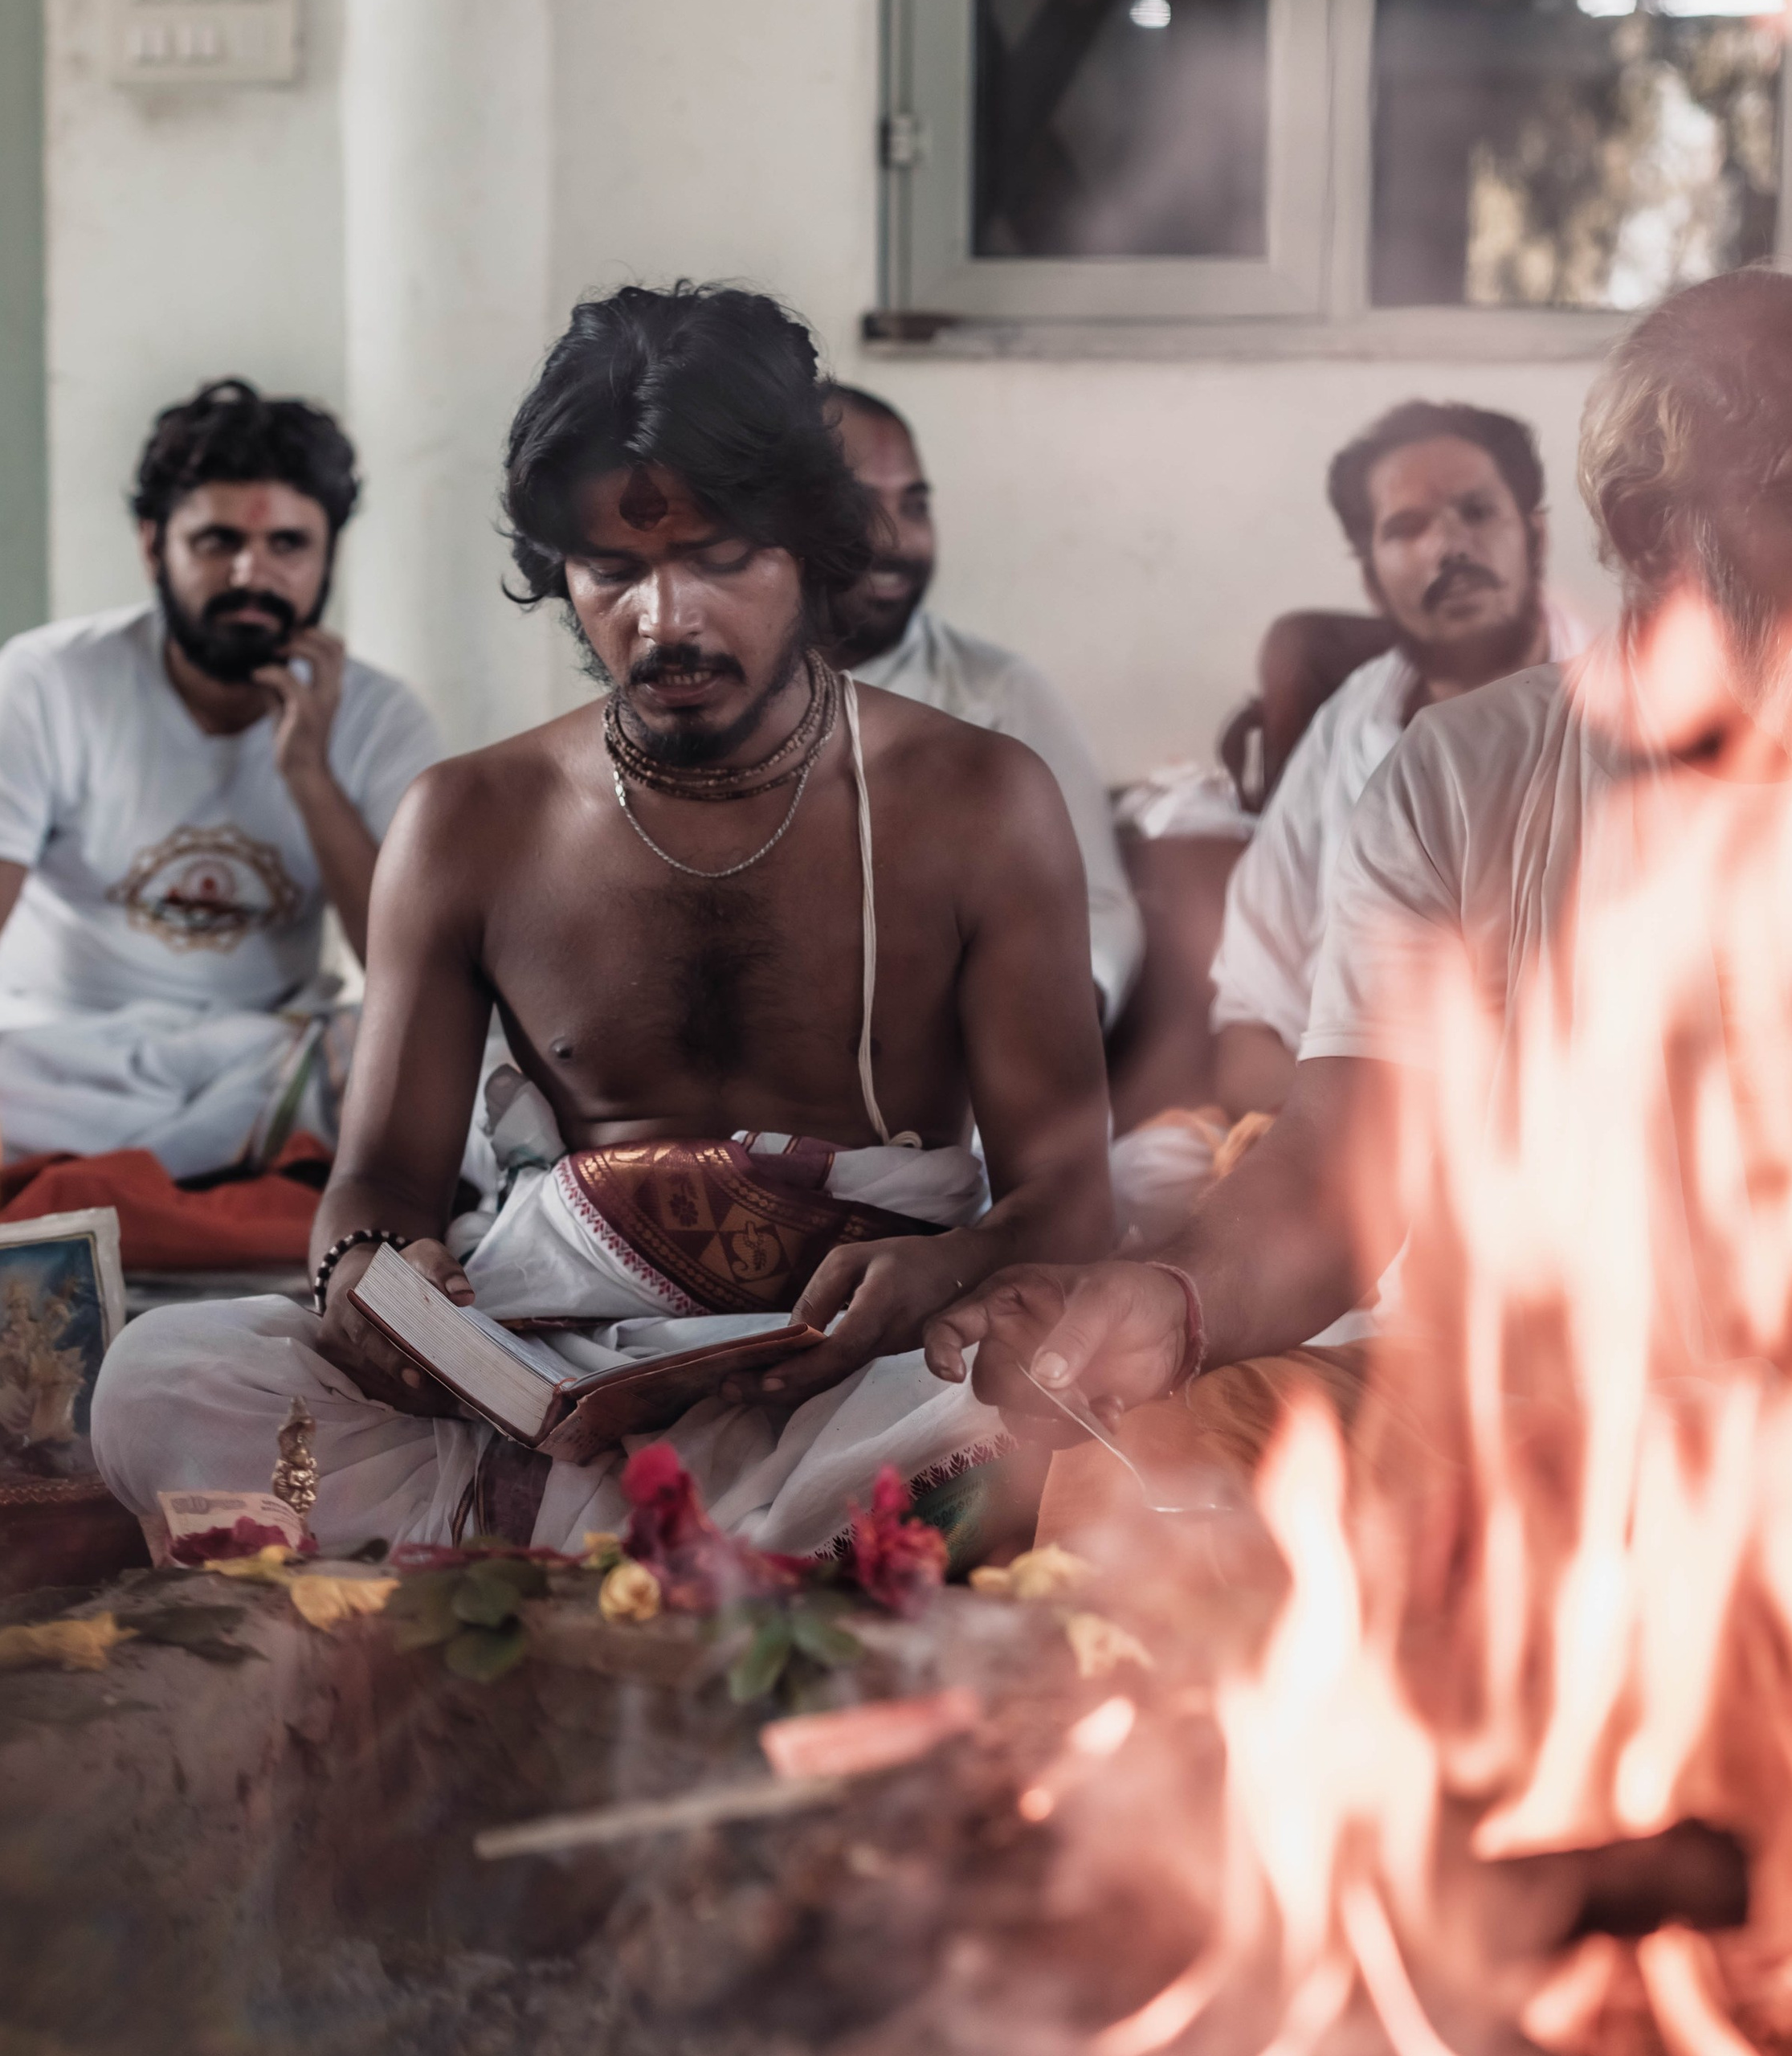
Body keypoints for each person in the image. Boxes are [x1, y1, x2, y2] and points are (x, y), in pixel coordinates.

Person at [92, 285, 1113, 1559]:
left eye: (724, 559)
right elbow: (382, 1182)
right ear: (557, 573)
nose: (666, 618)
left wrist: (947, 1270)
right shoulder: (469, 818)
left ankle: (563, 1543)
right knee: (160, 1378)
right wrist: (361, 1274)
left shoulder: (977, 799)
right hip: (551, 1372)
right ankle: (696, 1541)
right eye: (615, 570)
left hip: (855, 1377)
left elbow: (1071, 1198)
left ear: (811, 549)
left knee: (1058, 1412)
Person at [925, 271, 1792, 1497]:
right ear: (1646, 529)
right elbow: (1344, 1170)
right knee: (1146, 1462)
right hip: (1530, 1426)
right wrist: (1169, 1299)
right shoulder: (1462, 777)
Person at [0, 379, 440, 1178]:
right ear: (154, 545)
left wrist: (308, 774)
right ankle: (220, 1184)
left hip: (262, 1058)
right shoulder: (47, 682)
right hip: (62, 1058)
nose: (251, 575)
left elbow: (407, 967)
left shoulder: (379, 715)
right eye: (217, 541)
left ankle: (149, 1180)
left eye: (289, 545)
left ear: (327, 556)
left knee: (447, 1076)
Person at [1209, 399, 1590, 1125]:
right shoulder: (1347, 725)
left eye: (1477, 512)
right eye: (1407, 527)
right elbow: (1247, 1031)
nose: (1449, 546)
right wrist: (1333, 1148)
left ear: (1534, 537)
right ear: (1372, 579)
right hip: (1327, 1138)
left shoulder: (1629, 721)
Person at [827, 385, 1143, 1026]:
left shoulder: (997, 696)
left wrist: (1035, 1040)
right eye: (860, 505)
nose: (900, 541)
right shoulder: (717, 702)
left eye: (914, 506)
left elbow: (1097, 912)